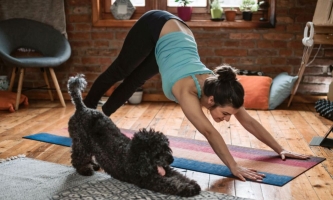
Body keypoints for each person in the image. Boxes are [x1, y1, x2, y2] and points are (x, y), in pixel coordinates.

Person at [84, 10, 309, 182]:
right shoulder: (187, 91)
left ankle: (100, 117)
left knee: (135, 81)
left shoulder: (222, 91)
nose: (228, 119)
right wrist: (234, 166)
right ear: (211, 101)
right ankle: (85, 112)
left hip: (176, 35)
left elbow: (248, 120)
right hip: (156, 24)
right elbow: (209, 132)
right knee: (121, 72)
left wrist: (280, 149)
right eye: (226, 114)